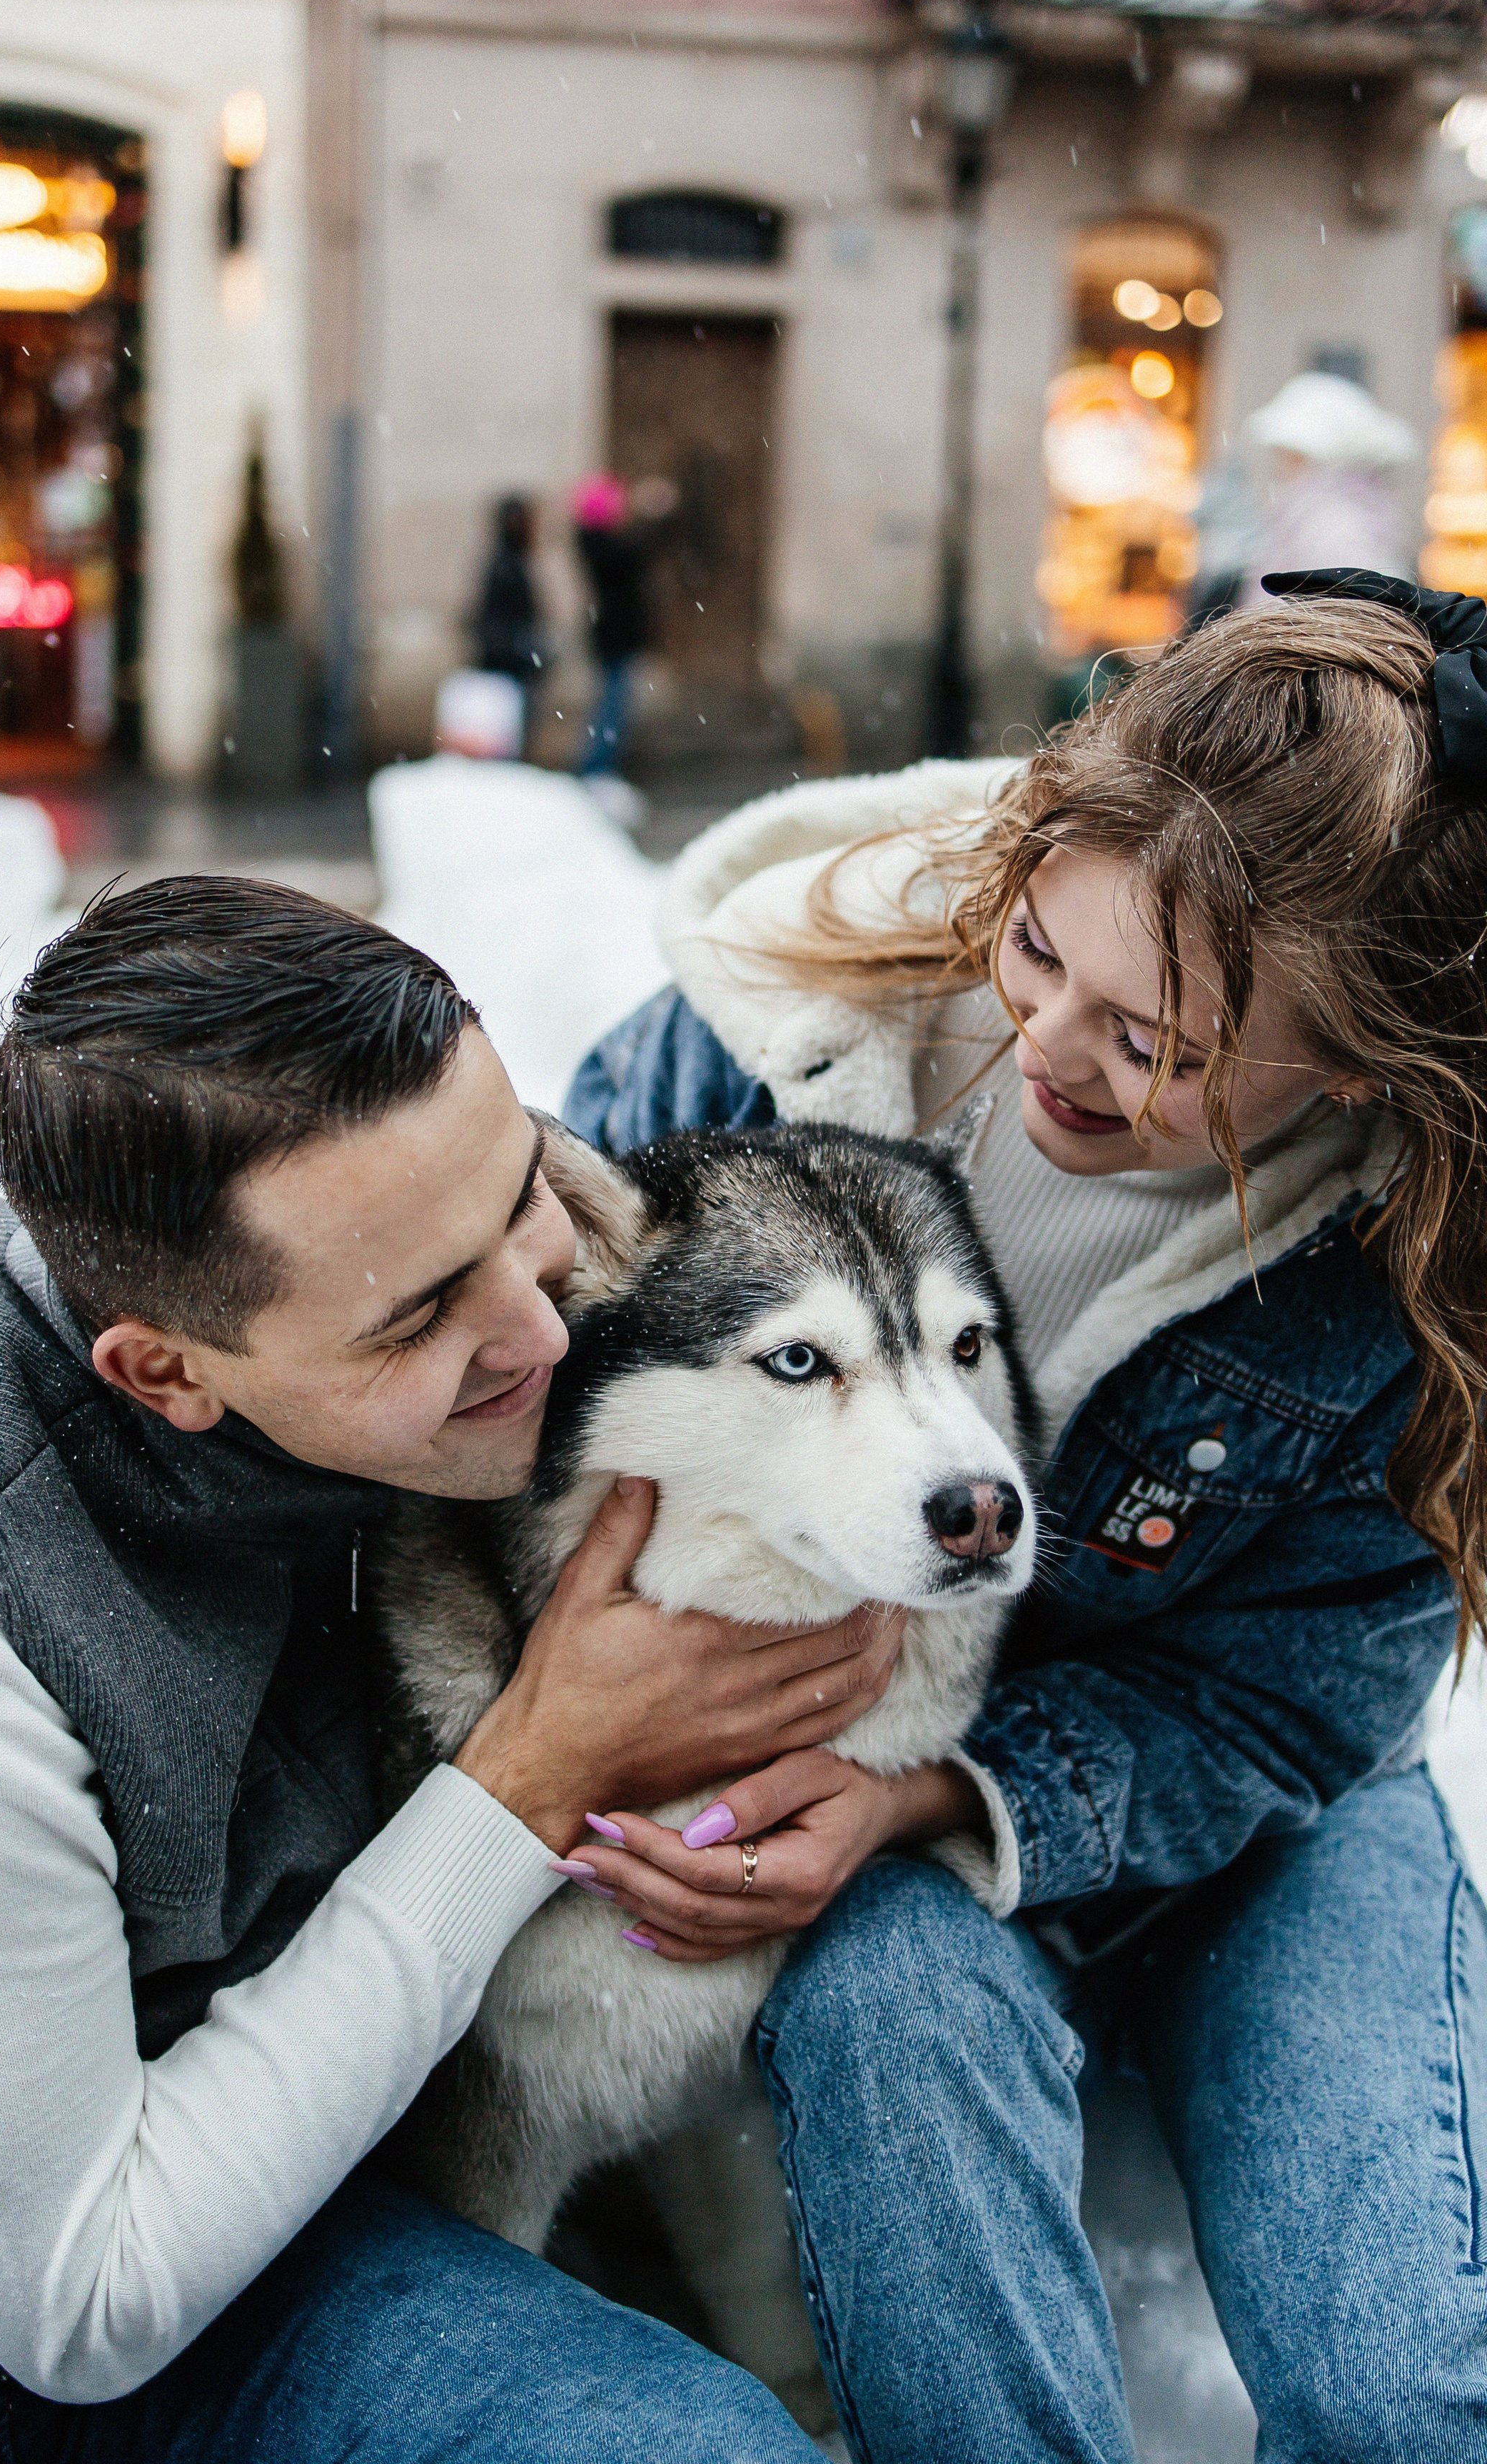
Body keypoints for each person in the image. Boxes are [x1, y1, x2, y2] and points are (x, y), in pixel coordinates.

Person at [0, 878, 890, 2463]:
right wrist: (526, 1782)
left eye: (519, 1195)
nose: (540, 1325)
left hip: (249, 2247)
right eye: (422, 1314)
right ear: (162, 1370)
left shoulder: (383, 1334)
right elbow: (86, 2297)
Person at [563, 577, 1487, 2463]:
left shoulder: (1412, 1266)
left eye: (1165, 1047)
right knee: (892, 2015)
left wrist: (953, 1796)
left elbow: (1297, 1702)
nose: (1057, 1044)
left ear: (1369, 1065)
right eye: (1040, 951)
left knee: (1395, 2383)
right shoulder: (763, 1051)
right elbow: (532, 1359)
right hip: (872, 1811)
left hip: (1271, 1821)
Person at [1236, 368, 1418, 603]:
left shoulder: (1333, 529)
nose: (1280, 467)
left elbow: (1344, 626)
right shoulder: (1318, 519)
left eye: (1288, 455)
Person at [570, 471, 674, 792]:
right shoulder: (602, 546)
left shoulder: (596, 543)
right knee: (612, 707)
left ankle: (597, 767)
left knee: (612, 704)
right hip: (616, 636)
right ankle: (596, 769)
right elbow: (636, 554)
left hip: (613, 635)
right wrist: (654, 515)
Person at [469, 493, 549, 745]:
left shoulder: (508, 562)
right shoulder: (507, 565)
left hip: (508, 658)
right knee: (508, 729)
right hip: (509, 660)